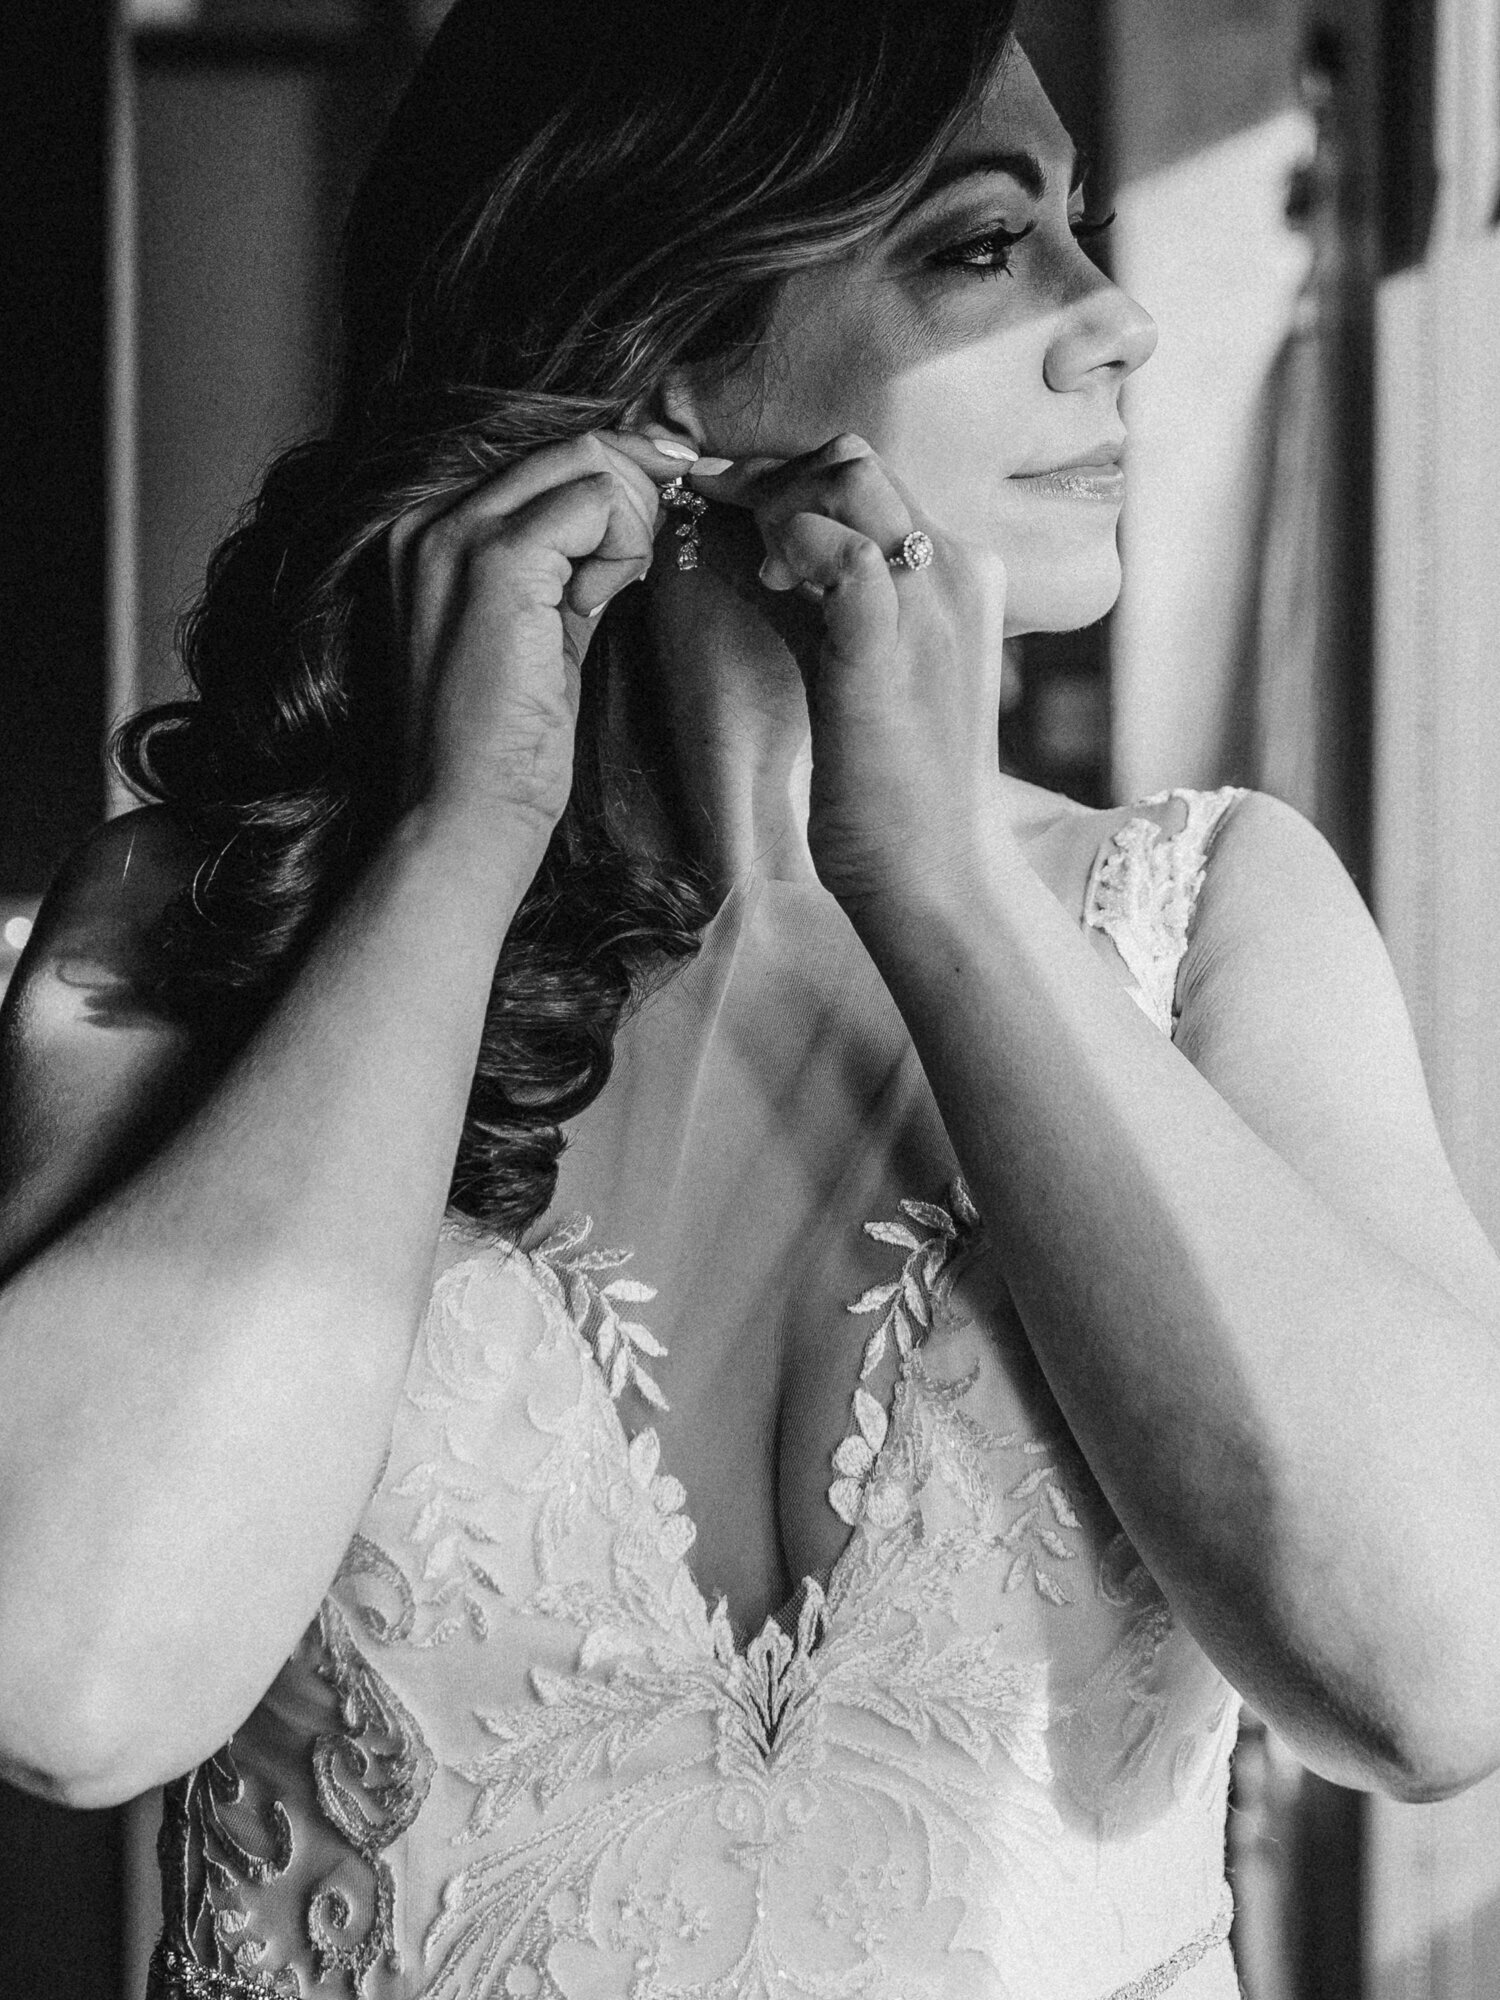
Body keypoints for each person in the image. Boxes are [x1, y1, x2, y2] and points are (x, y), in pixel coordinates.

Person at [1, 2, 1498, 1994]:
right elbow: (72, 1682)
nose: (1115, 315)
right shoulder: (201, 929)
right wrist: (462, 841)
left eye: (1077, 225)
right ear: (661, 348)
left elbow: (1433, 1679)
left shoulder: (1221, 921)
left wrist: (942, 878)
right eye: (984, 244)